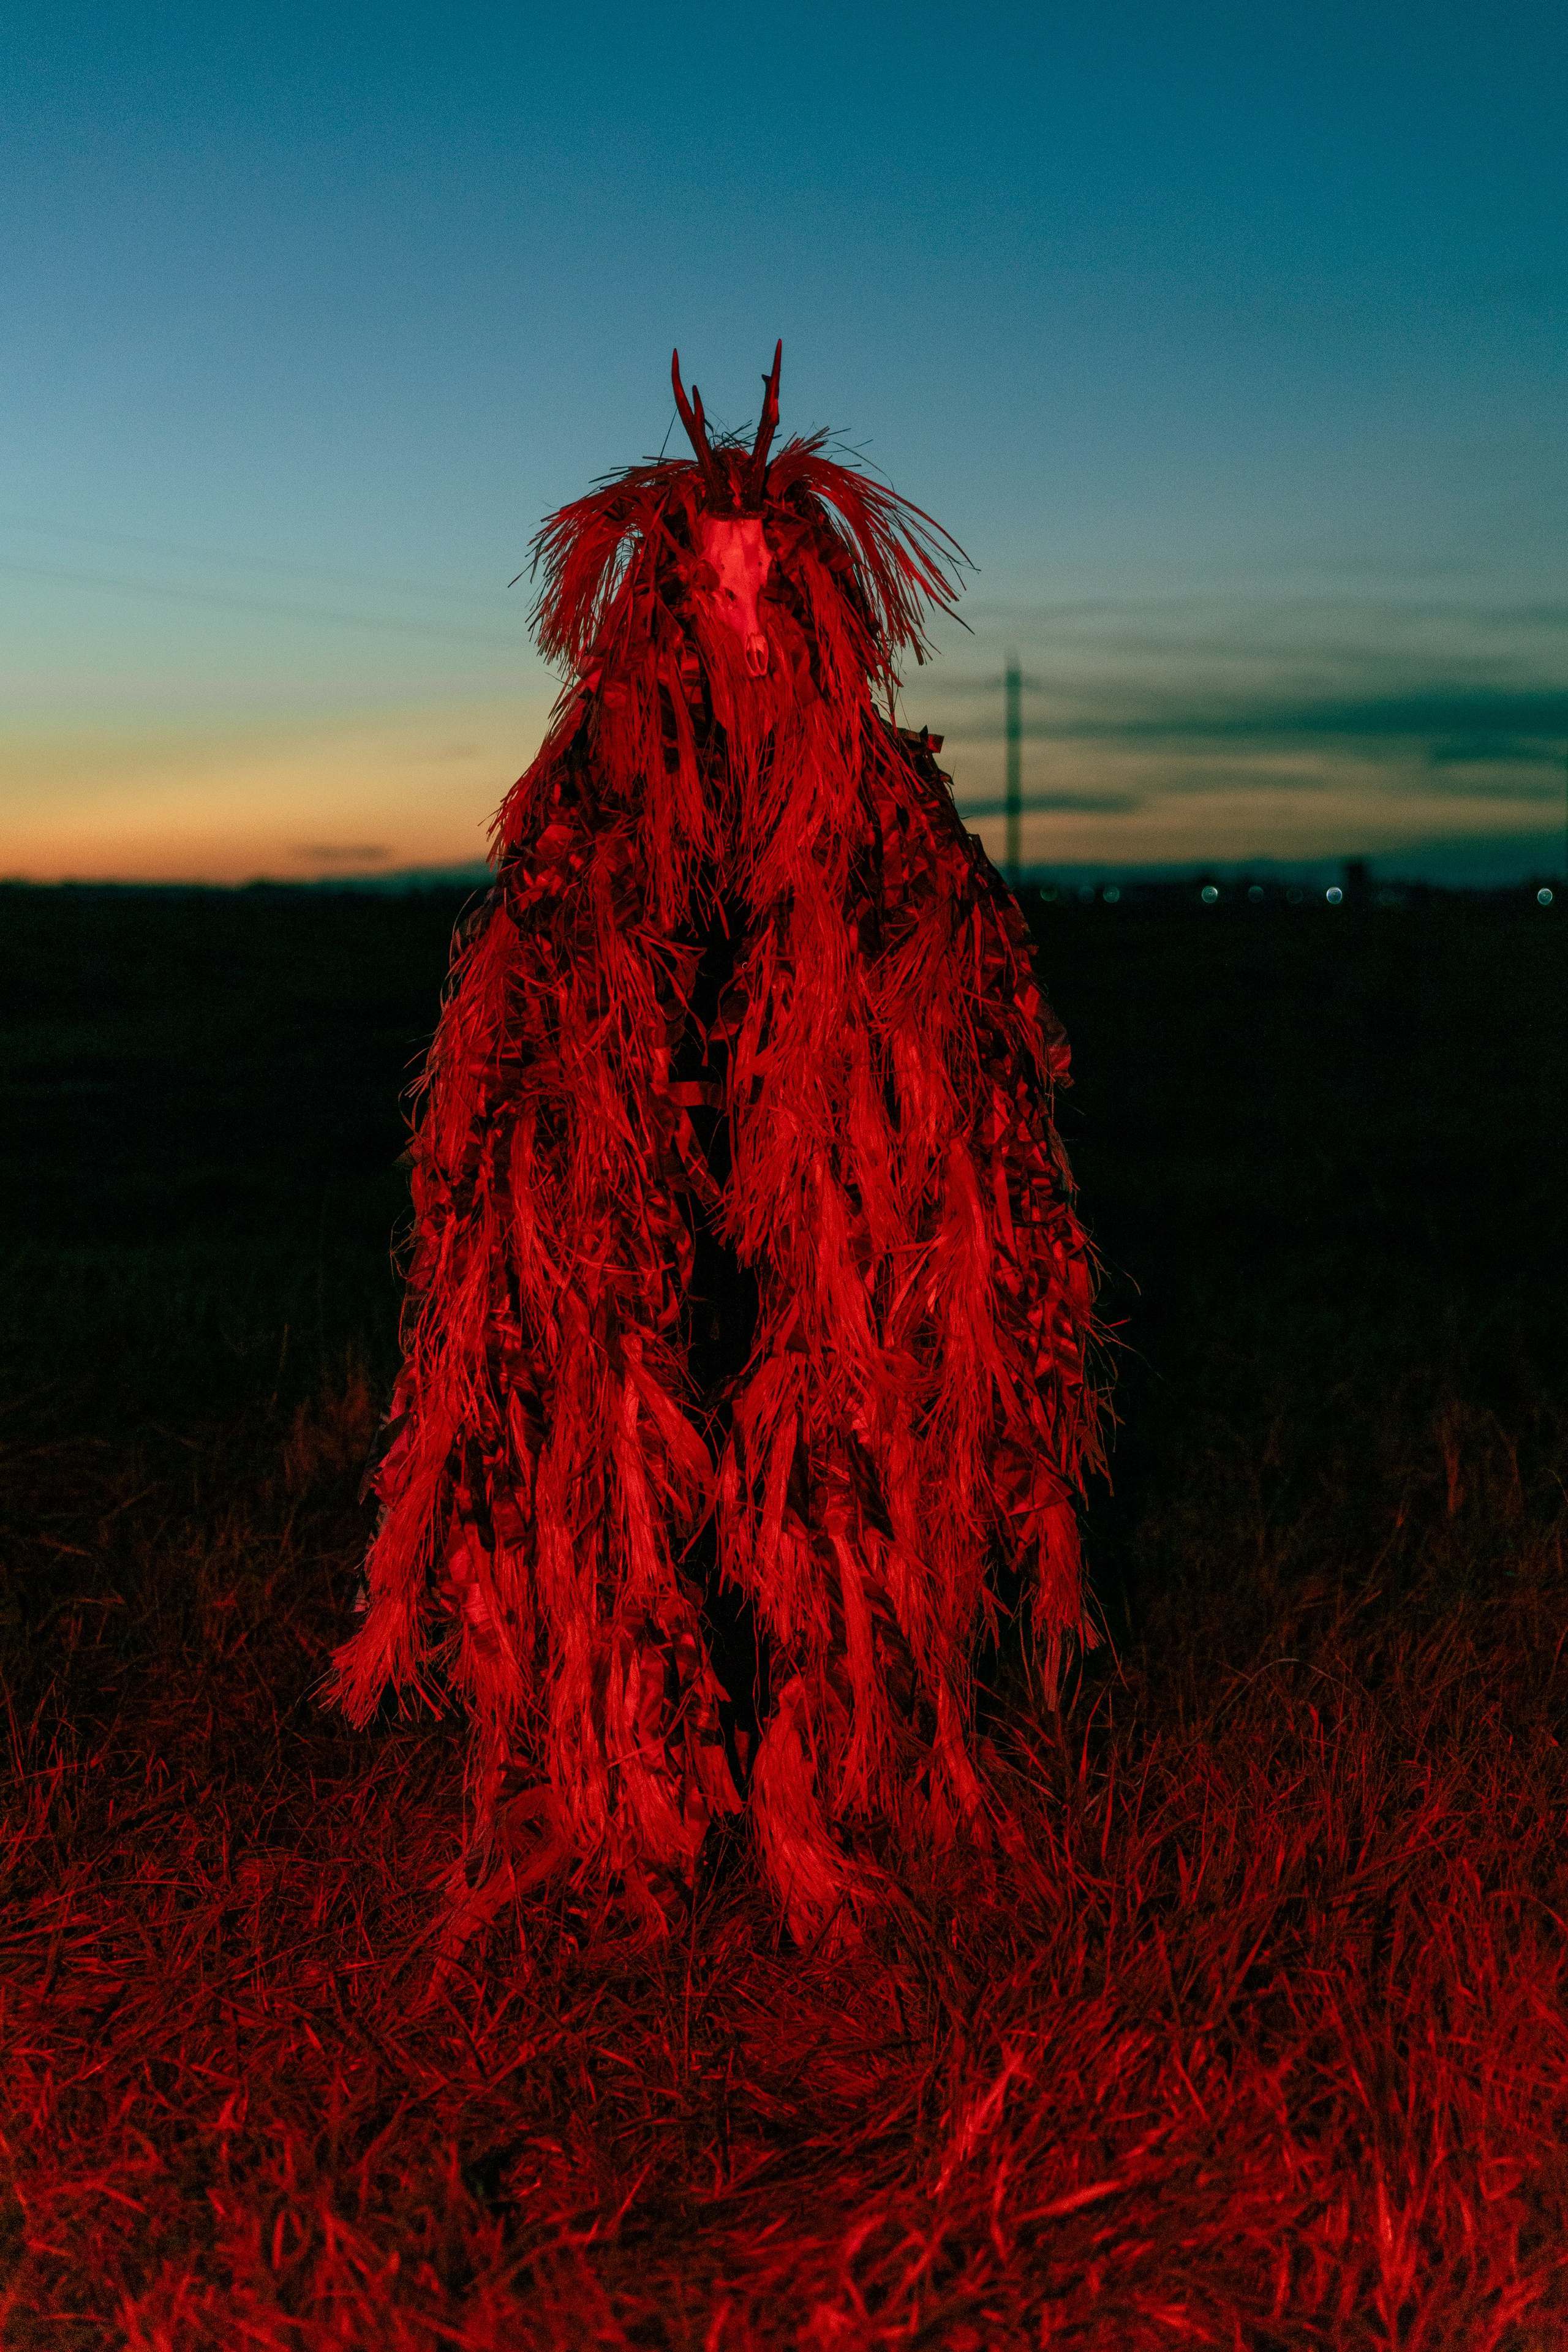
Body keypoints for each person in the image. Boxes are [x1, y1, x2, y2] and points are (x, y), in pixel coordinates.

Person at [330, 347, 1103, 1956]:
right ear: (658, 611)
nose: (744, 622)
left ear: (819, 606)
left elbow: (977, 1051)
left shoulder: (892, 814)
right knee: (625, 1472)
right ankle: (625, 1793)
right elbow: (514, 1040)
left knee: (825, 1482)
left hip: (825, 1216)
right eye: (711, 591)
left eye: (771, 590)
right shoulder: (591, 808)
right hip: (641, 1202)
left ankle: (830, 1782)